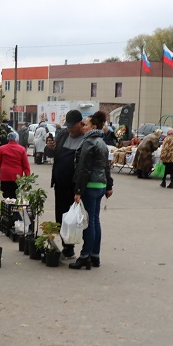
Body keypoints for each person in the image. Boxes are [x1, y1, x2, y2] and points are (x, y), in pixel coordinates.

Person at [69, 111, 113, 270]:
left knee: (88, 223)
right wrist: (109, 185)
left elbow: (83, 169)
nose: (83, 126)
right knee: (95, 220)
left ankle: (84, 256)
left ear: (93, 127)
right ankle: (95, 255)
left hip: (90, 186)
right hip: (100, 186)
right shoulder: (101, 142)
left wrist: (78, 190)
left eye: (86, 124)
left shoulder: (89, 143)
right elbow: (106, 166)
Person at [45, 110, 86, 260]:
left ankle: (72, 248)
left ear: (81, 124)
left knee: (73, 220)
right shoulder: (62, 134)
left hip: (74, 186)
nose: (70, 130)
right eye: (68, 127)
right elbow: (50, 155)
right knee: (60, 217)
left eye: (73, 127)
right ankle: (66, 247)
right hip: (60, 185)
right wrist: (50, 148)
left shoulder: (86, 138)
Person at [0, 131, 31, 199]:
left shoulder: (2, 148)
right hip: (17, 177)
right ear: (17, 139)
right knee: (15, 195)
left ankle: (8, 206)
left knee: (6, 195)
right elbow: (26, 166)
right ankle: (14, 207)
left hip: (5, 176)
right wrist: (27, 178)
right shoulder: (22, 149)